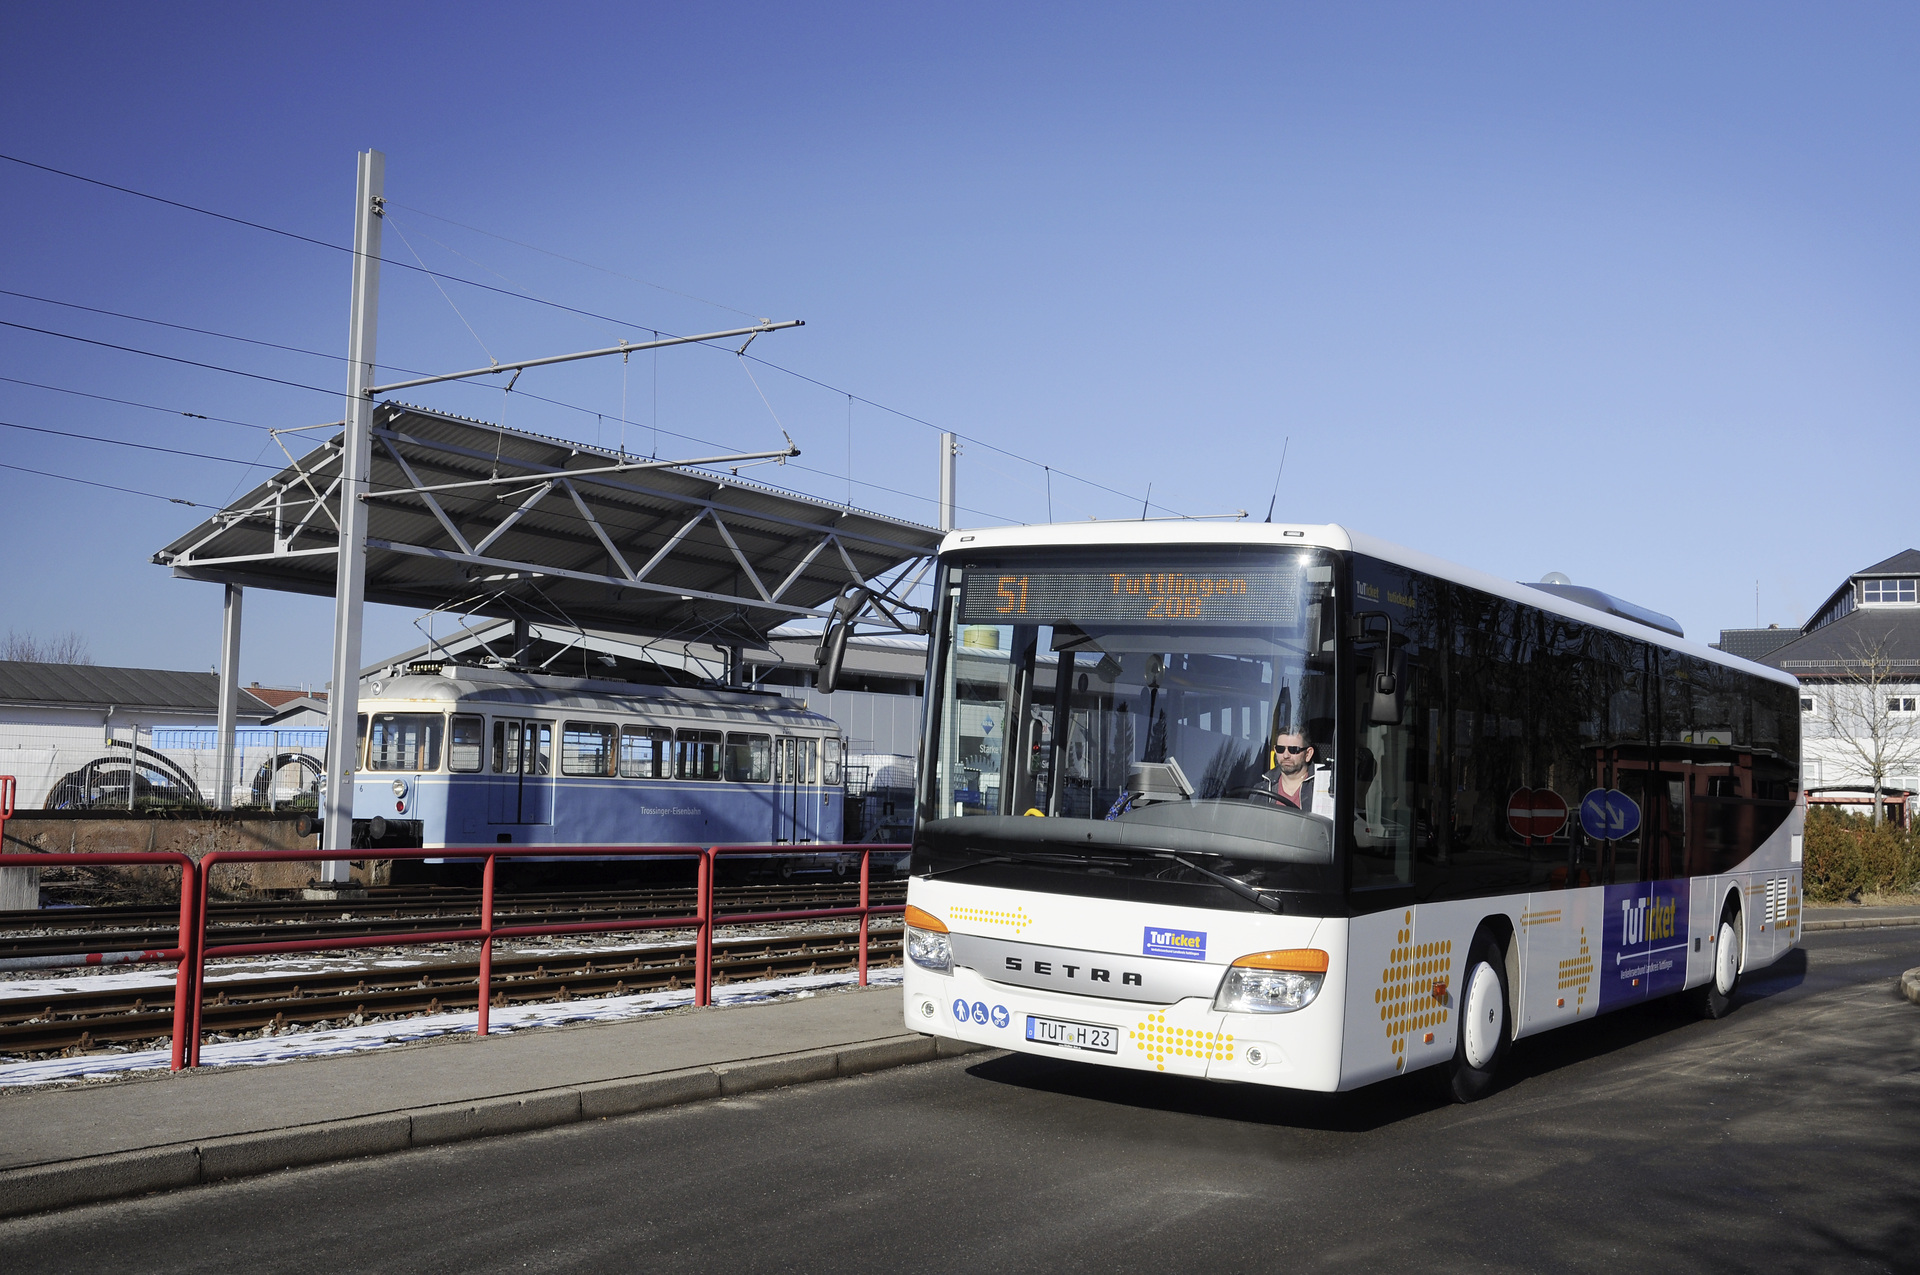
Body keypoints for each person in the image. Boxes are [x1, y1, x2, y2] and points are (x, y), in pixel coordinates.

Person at [1263, 731, 1319, 810]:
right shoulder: (1262, 789)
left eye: (1293, 750)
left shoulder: (1323, 789)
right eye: (1280, 749)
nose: (1286, 755)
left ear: (1308, 754)